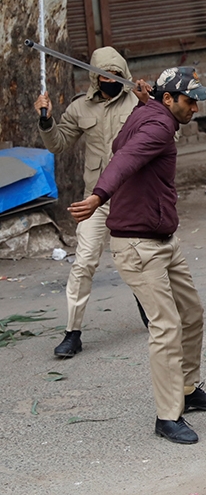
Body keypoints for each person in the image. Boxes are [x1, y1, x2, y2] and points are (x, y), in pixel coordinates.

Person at [68, 67, 206, 445]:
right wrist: (98, 196)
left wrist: (145, 104)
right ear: (168, 99)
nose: (195, 109)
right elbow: (124, 158)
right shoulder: (157, 125)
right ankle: (168, 416)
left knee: (191, 313)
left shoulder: (147, 113)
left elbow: (119, 143)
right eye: (189, 101)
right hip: (139, 245)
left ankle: (187, 389)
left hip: (163, 239)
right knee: (166, 327)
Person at [35, 47, 151, 357]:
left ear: (123, 74)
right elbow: (59, 144)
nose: (109, 81)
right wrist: (46, 121)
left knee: (137, 260)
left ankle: (151, 310)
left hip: (132, 197)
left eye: (115, 75)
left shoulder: (139, 101)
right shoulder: (80, 108)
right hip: (96, 200)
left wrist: (149, 105)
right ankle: (72, 333)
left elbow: (166, 137)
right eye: (103, 76)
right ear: (94, 78)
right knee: (83, 263)